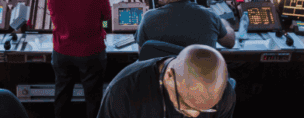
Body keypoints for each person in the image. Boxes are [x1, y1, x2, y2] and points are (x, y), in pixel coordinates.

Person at [46, 0, 111, 118]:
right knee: (93, 99)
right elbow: (106, 19)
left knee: (62, 95)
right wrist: (101, 26)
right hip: (92, 53)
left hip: (62, 52)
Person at [97, 44, 236, 118]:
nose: (195, 115)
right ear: (169, 76)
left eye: (207, 108)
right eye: (186, 105)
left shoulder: (225, 94)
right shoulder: (123, 90)